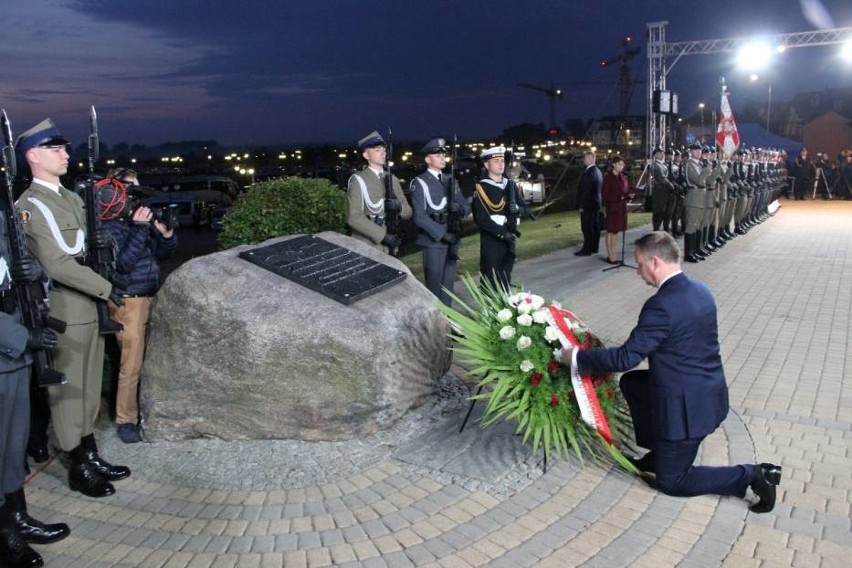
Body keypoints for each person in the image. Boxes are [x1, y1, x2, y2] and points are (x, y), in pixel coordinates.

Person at [563, 231, 781, 512]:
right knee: (633, 384)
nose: (638, 272)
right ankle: (662, 451)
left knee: (673, 482)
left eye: (640, 264)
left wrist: (577, 357)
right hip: (708, 394)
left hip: (687, 410)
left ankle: (754, 475)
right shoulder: (700, 290)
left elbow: (626, 357)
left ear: (654, 262)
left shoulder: (661, 305)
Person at [15, 118, 131, 498]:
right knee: (69, 392)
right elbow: (57, 263)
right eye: (56, 149)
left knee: (88, 386)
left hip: (89, 307)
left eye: (65, 148)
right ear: (33, 156)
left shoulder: (69, 197)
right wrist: (106, 288)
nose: (66, 154)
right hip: (65, 311)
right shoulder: (30, 205)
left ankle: (90, 451)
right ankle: (77, 463)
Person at [1, 216, 70, 568]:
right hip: (8, 346)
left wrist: (35, 271)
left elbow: (28, 277)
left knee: (13, 448)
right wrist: (19, 338)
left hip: (14, 361)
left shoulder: (3, 221)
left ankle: (17, 517)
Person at [101, 168, 177, 443]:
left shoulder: (138, 219)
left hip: (151, 294)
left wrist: (166, 235)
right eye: (130, 189)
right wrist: (139, 228)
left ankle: (147, 410)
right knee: (130, 364)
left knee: (150, 361)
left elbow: (163, 254)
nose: (136, 195)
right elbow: (122, 265)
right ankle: (125, 419)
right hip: (128, 300)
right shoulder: (110, 223)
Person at [409, 138, 470, 305]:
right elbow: (419, 216)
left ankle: (447, 324)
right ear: (428, 159)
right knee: (435, 287)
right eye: (437, 155)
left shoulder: (450, 180)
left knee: (448, 285)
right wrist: (443, 234)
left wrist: (461, 209)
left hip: (453, 236)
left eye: (443, 154)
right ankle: (436, 326)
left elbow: (465, 205)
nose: (442, 158)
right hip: (434, 241)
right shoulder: (420, 182)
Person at [346, 131, 411, 255]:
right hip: (367, 247)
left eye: (384, 149)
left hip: (392, 245)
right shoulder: (359, 180)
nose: (383, 152)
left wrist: (399, 207)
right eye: (377, 149)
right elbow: (353, 217)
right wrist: (383, 236)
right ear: (366, 155)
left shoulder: (393, 179)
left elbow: (408, 212)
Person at [472, 146, 520, 290]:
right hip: (492, 239)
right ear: (487, 165)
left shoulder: (510, 184)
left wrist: (517, 209)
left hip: (510, 235)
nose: (501, 164)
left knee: (506, 276)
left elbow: (523, 207)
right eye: (496, 161)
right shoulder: (482, 188)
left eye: (502, 161)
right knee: (490, 279)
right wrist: (501, 233)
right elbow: (480, 218)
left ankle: (506, 308)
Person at [601, 155, 633, 264]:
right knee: (611, 231)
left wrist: (629, 195)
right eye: (619, 164)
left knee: (616, 232)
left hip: (621, 208)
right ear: (614, 165)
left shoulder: (623, 177)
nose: (622, 167)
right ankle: (611, 256)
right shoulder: (608, 178)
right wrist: (619, 197)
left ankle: (614, 254)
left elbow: (625, 191)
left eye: (623, 165)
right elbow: (605, 194)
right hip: (613, 208)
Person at [574, 151, 602, 256]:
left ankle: (587, 249)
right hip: (596, 203)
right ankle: (594, 247)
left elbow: (586, 190)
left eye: (585, 158)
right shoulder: (598, 171)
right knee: (595, 227)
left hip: (588, 205)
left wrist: (581, 205)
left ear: (591, 159)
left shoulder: (589, 172)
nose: (584, 160)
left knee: (587, 228)